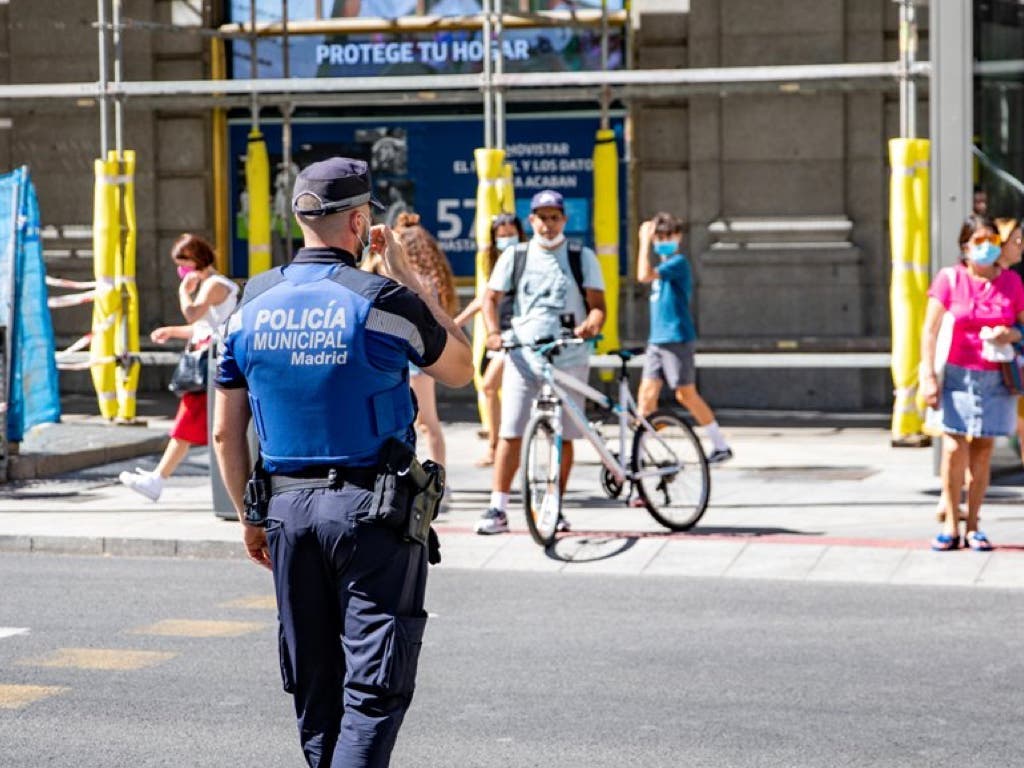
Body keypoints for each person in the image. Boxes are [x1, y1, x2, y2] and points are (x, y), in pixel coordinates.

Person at [212, 157, 472, 768]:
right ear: (360, 223)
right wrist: (407, 276)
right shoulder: (382, 300)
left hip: (284, 513)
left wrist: (249, 518)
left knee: (315, 689)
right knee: (373, 691)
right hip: (372, 514)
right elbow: (461, 367)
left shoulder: (249, 304)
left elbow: (226, 432)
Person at [474, 189, 605, 535]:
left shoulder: (581, 255)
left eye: (554, 217)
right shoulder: (515, 256)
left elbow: (598, 305)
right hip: (523, 356)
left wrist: (592, 322)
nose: (547, 224)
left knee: (563, 436)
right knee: (511, 431)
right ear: (530, 220)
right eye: (541, 217)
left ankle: (554, 505)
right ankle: (497, 508)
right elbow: (490, 299)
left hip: (570, 357)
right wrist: (492, 332)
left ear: (564, 219)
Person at [921, 213, 1024, 552]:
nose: (986, 249)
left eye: (992, 242)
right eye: (979, 242)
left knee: (982, 454)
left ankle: (975, 524)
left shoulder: (1011, 283)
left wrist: (1009, 332)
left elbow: (1022, 327)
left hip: (996, 376)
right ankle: (951, 523)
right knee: (953, 449)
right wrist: (927, 377)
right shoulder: (949, 279)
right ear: (964, 246)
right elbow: (930, 331)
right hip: (955, 374)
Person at [119, 234, 238, 501]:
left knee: (188, 425)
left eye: (182, 262)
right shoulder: (210, 284)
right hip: (210, 363)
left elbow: (194, 314)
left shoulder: (213, 285)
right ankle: (157, 479)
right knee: (201, 427)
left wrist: (183, 292)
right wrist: (171, 331)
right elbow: (203, 328)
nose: (180, 270)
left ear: (196, 259)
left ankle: (157, 480)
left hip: (211, 365)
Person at [636, 213, 733, 464]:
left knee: (685, 394)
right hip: (657, 339)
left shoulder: (677, 263)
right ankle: (637, 452)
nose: (662, 241)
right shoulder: (665, 266)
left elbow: (643, 275)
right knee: (646, 395)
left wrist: (644, 241)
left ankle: (719, 444)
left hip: (676, 337)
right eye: (659, 237)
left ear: (678, 237)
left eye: (667, 236)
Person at [453, 212, 526, 466]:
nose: (506, 238)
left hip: (518, 333)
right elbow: (485, 297)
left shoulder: (527, 257)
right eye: (501, 235)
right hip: (498, 333)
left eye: (510, 234)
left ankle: (500, 447)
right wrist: (458, 322)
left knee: (490, 386)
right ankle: (498, 446)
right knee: (490, 387)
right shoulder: (494, 261)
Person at [998, 216, 1024, 465]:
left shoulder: (1013, 279)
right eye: (1015, 240)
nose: (1020, 245)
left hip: (1012, 362)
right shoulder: (990, 279)